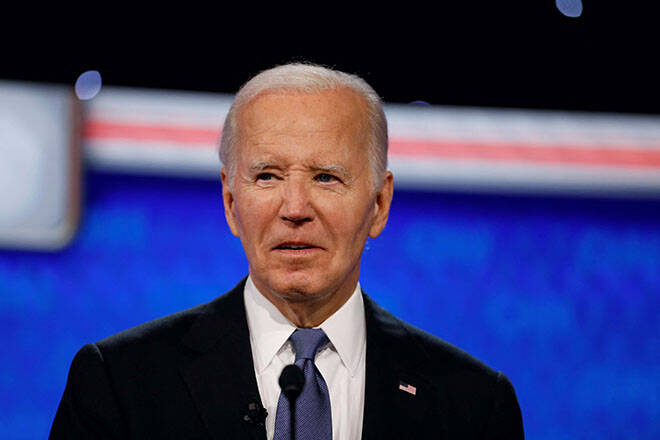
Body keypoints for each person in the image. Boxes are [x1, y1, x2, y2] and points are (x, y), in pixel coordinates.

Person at [50, 63, 524, 439]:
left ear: (379, 205)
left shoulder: (473, 404)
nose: (295, 209)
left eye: (326, 177)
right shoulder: (120, 383)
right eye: (267, 176)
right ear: (231, 203)